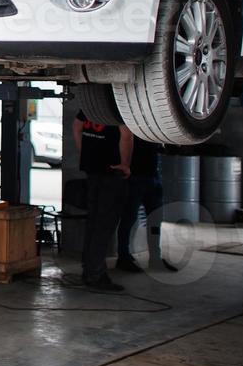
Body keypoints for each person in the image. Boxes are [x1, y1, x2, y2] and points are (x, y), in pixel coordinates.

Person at [72, 110, 133, 291]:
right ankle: (96, 274)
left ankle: (89, 269)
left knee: (93, 222)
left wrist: (86, 153)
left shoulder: (92, 104)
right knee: (104, 224)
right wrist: (125, 164)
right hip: (112, 171)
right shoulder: (119, 106)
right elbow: (127, 135)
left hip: (92, 169)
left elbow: (76, 126)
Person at [118, 136, 178, 273]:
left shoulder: (151, 126)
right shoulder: (131, 123)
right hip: (135, 175)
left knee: (155, 219)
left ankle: (155, 258)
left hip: (152, 174)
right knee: (129, 219)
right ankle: (123, 257)